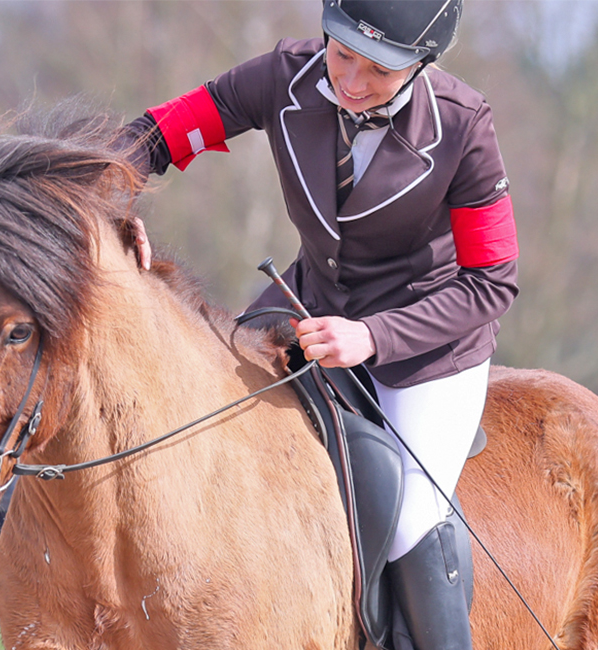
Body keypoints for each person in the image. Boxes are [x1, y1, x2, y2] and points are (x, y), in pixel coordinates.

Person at [122, 1, 518, 648]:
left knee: (411, 516)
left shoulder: (463, 126)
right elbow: (155, 134)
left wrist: (374, 337)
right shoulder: (286, 75)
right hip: (306, 312)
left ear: (421, 65)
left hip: (424, 350)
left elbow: (492, 283)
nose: (351, 81)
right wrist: (112, 197)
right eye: (341, 55)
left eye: (379, 70)